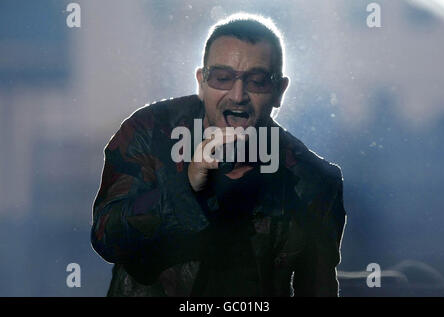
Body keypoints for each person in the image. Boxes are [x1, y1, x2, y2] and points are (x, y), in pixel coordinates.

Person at [91, 13, 346, 297]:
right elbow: (106, 237)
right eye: (222, 78)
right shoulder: (150, 132)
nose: (237, 95)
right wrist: (186, 189)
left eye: (257, 81)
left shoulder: (313, 181)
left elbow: (318, 288)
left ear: (278, 91)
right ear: (201, 82)